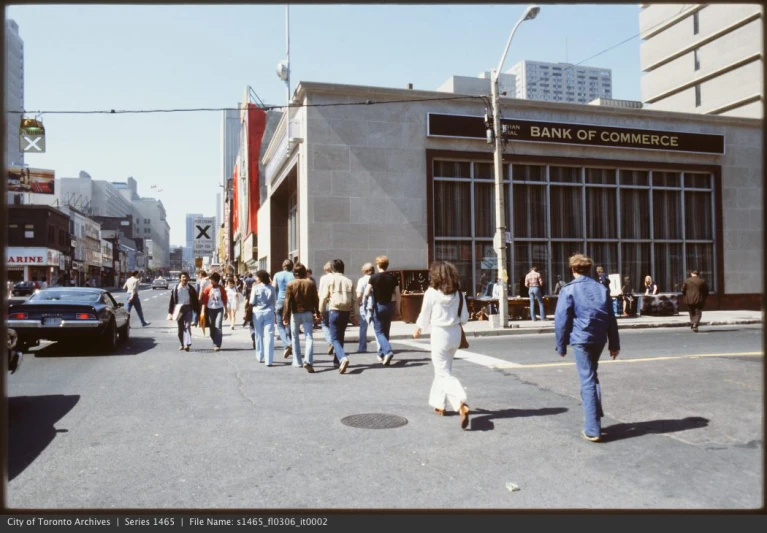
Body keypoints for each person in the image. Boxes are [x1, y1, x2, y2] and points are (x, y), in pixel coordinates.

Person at [555, 254, 620, 442]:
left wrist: (561, 346)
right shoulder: (601, 288)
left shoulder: (568, 290)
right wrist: (614, 344)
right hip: (599, 338)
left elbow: (561, 320)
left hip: (581, 339)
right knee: (592, 376)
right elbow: (611, 319)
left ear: (573, 269)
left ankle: (592, 429)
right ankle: (595, 416)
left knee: (587, 379)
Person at [413, 261, 471, 430]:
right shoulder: (459, 294)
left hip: (439, 334)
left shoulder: (431, 293)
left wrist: (419, 328)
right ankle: (440, 404)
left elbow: (425, 314)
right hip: (455, 333)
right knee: (444, 370)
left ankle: (461, 401)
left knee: (443, 372)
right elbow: (465, 318)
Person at [319, 259, 358, 374]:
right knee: (340, 336)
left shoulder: (330, 280)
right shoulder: (349, 281)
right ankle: (337, 360)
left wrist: (321, 311)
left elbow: (323, 297)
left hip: (334, 310)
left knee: (334, 338)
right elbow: (354, 300)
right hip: (345, 312)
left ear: (333, 268)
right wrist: (355, 315)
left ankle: (342, 358)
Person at [283, 262, 320, 373]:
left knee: (295, 337)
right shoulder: (310, 283)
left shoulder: (290, 284)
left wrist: (285, 315)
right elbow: (315, 299)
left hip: (295, 313)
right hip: (308, 312)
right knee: (309, 337)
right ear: (305, 272)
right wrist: (317, 312)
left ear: (294, 273)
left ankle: (297, 361)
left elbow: (287, 301)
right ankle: (308, 360)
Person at [363, 255, 401, 365]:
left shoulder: (373, 277)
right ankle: (382, 354)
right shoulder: (393, 278)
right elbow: (398, 295)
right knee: (386, 331)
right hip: (389, 305)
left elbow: (366, 292)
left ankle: (388, 351)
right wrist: (398, 309)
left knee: (379, 331)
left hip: (378, 306)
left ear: (378, 265)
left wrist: (366, 302)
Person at [167, 272, 200, 351]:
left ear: (188, 278)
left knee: (187, 326)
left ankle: (186, 344)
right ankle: (182, 343)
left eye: (186, 277)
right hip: (179, 309)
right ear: (180, 279)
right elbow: (172, 301)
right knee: (180, 328)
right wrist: (170, 313)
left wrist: (197, 312)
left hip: (188, 308)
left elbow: (195, 301)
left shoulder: (191, 289)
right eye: (183, 277)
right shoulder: (176, 289)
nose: (184, 279)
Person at [250, 270, 277, 365]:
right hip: (269, 312)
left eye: (257, 277)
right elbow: (274, 302)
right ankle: (269, 360)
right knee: (269, 335)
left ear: (260, 278)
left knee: (259, 334)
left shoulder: (255, 287)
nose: (255, 279)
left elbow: (252, 301)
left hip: (257, 312)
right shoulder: (272, 288)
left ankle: (259, 355)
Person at [199, 272, 228, 352]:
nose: (211, 282)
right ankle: (214, 338)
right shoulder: (207, 288)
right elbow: (204, 301)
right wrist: (202, 311)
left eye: (212, 280)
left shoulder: (221, 289)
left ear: (217, 281)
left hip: (219, 309)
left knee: (218, 326)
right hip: (210, 309)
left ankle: (217, 344)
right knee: (212, 327)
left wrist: (226, 311)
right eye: (211, 280)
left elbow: (225, 299)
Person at [273, 259, 295, 359]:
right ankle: (288, 345)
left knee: (280, 325)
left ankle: (287, 343)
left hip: (280, 300)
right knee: (289, 324)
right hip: (290, 301)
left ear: (283, 266)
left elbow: (274, 288)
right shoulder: (293, 275)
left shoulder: (277, 275)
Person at [318, 261, 338, 366]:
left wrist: (318, 308)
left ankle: (330, 341)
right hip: (334, 304)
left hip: (325, 303)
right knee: (333, 325)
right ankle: (334, 343)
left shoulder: (323, 278)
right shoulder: (336, 277)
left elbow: (321, 293)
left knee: (324, 323)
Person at [356, 262, 375, 353]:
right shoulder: (376, 278)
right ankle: (381, 347)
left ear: (364, 271)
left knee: (363, 327)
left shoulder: (362, 280)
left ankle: (362, 347)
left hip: (364, 304)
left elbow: (359, 294)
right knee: (376, 327)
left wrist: (358, 302)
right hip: (375, 304)